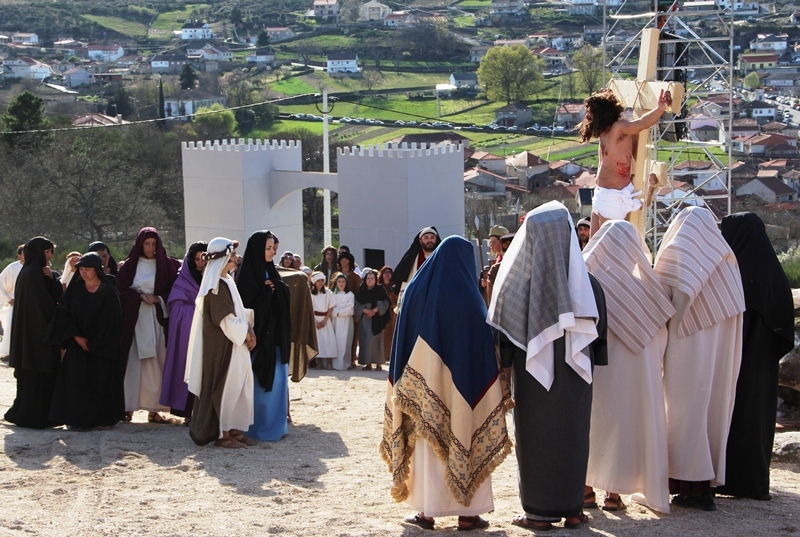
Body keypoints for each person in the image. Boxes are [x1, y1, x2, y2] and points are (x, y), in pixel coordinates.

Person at [488, 201, 607, 531]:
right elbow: (600, 341)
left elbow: (503, 337)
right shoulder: (590, 285)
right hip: (578, 380)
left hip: (532, 380)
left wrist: (505, 370)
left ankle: (539, 513)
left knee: (537, 438)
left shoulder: (514, 284)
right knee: (573, 436)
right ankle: (573, 509)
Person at [381, 236, 513, 532]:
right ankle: (468, 515)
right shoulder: (470, 297)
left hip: (420, 392)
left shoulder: (415, 288)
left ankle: (427, 513)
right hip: (464, 391)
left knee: (427, 443)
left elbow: (401, 339)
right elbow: (483, 347)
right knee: (464, 433)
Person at [653, 206, 745, 511]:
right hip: (720, 356)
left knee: (683, 415)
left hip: (685, 350)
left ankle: (690, 486)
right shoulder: (728, 262)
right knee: (710, 414)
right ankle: (703, 485)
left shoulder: (677, 254)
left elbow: (657, 299)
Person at [582, 220, 675, 514]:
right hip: (635, 373)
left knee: (593, 424)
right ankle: (613, 494)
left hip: (597, 368)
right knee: (622, 427)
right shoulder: (649, 288)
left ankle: (585, 489)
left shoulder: (588, 283)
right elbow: (662, 334)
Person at [716, 213, 794, 500]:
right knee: (756, 419)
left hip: (736, 360)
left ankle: (727, 479)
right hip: (762, 366)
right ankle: (752, 481)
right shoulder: (772, 272)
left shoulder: (736, 273)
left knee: (733, 416)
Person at [185, 238, 256, 448]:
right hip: (224, 347)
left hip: (237, 344)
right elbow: (224, 319)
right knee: (226, 388)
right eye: (232, 256)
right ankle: (222, 433)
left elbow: (239, 311)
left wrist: (250, 329)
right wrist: (245, 334)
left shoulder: (227, 281)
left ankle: (234, 428)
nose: (236, 259)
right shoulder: (215, 286)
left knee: (239, 386)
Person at [578, 88, 672, 235]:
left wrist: (660, 109)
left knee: (605, 247)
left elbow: (642, 123)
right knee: (592, 248)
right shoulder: (603, 131)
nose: (587, 116)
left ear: (601, 113)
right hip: (600, 195)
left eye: (591, 112)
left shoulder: (619, 128)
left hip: (614, 198)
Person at [48, 252, 124, 430]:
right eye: (80, 269)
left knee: (100, 382)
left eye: (87, 269)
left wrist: (94, 344)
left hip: (102, 347)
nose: (83, 272)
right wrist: (78, 338)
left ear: (97, 269)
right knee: (75, 383)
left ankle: (102, 419)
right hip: (77, 344)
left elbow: (112, 322)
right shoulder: (76, 289)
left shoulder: (109, 292)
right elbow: (65, 314)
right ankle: (75, 419)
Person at [116, 227, 181, 424]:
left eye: (154, 244)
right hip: (135, 321)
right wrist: (138, 297)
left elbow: (175, 290)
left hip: (157, 319)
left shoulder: (168, 266)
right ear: (140, 244)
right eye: (147, 244)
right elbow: (120, 291)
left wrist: (159, 298)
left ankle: (155, 409)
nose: (151, 248)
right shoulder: (129, 267)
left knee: (157, 361)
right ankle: (128, 407)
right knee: (134, 364)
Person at [236, 230, 291, 442]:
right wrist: (267, 293)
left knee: (277, 382)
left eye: (273, 249)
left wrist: (277, 288)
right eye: (268, 249)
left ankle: (277, 427)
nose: (272, 252)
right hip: (258, 339)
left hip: (275, 336)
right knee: (259, 386)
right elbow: (247, 306)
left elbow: (283, 295)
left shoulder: (271, 271)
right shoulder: (248, 275)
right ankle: (257, 428)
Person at [4, 237, 63, 429]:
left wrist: (51, 278)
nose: (49, 256)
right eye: (46, 252)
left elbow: (55, 295)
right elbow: (44, 305)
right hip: (37, 338)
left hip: (34, 337)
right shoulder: (32, 275)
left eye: (50, 252)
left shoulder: (35, 272)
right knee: (36, 377)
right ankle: (35, 418)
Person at [160, 241, 207, 421]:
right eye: (196, 259)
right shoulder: (182, 281)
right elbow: (176, 307)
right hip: (188, 335)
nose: (200, 263)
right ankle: (188, 413)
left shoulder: (216, 278)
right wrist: (200, 311)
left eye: (203, 258)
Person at [391, 227, 441, 312]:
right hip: (416, 299)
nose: (429, 240)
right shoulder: (412, 259)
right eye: (426, 238)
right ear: (420, 241)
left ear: (436, 240)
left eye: (432, 237)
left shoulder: (442, 257)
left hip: (437, 299)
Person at [355, 268, 390, 372]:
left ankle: (379, 364)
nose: (370, 280)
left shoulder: (380, 290)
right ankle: (368, 363)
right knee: (365, 340)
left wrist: (374, 310)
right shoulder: (362, 291)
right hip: (365, 319)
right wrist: (366, 311)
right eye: (368, 278)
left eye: (372, 278)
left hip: (378, 319)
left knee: (377, 340)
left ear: (376, 280)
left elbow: (386, 302)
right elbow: (357, 305)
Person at [0, 245, 24, 361]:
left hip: (31, 305)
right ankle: (10, 353)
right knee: (11, 327)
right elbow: (1, 284)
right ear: (19, 255)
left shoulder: (38, 267)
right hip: (16, 303)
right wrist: (8, 299)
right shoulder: (13, 268)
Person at [338, 251, 362, 368]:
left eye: (346, 259)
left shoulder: (356, 277)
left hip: (351, 310)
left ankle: (351, 359)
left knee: (352, 335)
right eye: (342, 259)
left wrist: (357, 313)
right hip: (337, 311)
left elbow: (359, 296)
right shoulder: (335, 275)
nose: (344, 261)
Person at [310, 272, 336, 370]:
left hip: (325, 320)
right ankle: (319, 362)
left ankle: (329, 363)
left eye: (322, 281)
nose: (320, 283)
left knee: (328, 341)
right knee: (318, 341)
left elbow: (331, 307)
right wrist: (315, 322)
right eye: (318, 281)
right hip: (315, 319)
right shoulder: (311, 293)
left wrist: (325, 320)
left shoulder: (328, 292)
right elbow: (309, 309)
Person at [329, 273, 354, 371]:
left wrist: (338, 312)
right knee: (334, 341)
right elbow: (330, 308)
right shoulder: (332, 294)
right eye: (339, 281)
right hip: (334, 321)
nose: (341, 284)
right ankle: (333, 363)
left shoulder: (350, 295)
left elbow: (350, 309)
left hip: (345, 322)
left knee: (344, 342)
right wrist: (337, 312)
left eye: (343, 281)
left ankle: (343, 363)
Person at [379, 266, 398, 364]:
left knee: (390, 334)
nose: (387, 274)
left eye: (389, 272)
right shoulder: (379, 286)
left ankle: (389, 355)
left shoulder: (394, 286)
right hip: (379, 313)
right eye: (385, 272)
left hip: (391, 313)